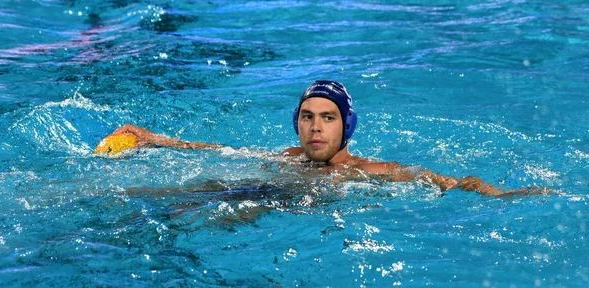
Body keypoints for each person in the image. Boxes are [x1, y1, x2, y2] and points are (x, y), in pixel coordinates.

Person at [108, 80, 546, 196]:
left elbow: (439, 179)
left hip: (293, 208)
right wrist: (157, 139)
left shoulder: (370, 171)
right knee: (174, 194)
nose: (317, 127)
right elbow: (223, 151)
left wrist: (499, 193)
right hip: (265, 190)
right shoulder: (288, 156)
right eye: (308, 117)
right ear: (296, 123)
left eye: (329, 118)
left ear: (346, 127)